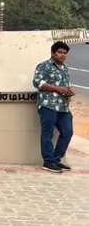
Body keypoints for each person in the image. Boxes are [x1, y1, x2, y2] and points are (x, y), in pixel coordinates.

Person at [32, 40, 75, 172]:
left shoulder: (65, 69)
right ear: (53, 53)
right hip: (48, 106)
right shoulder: (44, 66)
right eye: (59, 52)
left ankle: (56, 159)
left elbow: (64, 87)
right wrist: (59, 89)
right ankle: (48, 162)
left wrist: (68, 91)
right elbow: (37, 82)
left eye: (64, 53)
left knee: (67, 132)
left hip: (63, 107)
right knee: (47, 134)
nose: (62, 55)